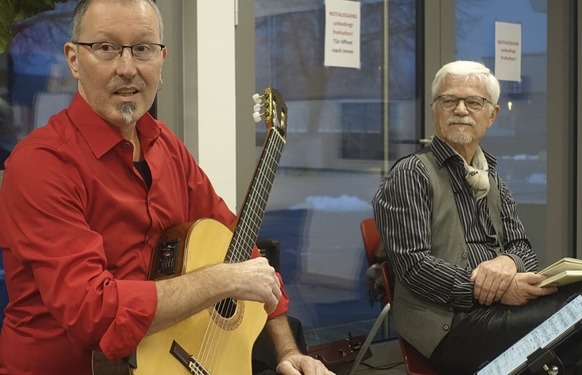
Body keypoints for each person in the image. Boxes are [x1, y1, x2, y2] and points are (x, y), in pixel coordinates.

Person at [0, 1, 334, 374]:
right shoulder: (41, 165)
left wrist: (287, 351)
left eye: (143, 49)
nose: (127, 69)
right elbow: (93, 312)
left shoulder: (167, 147)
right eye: (106, 48)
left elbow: (243, 247)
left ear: (162, 59)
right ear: (74, 59)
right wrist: (222, 279)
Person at [372, 60, 582, 374]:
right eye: (449, 100)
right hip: (450, 328)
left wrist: (508, 263)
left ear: (491, 115)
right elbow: (414, 266)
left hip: (499, 318)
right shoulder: (412, 173)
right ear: (435, 110)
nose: (461, 109)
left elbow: (523, 247)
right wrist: (489, 289)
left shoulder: (493, 180)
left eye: (473, 102)